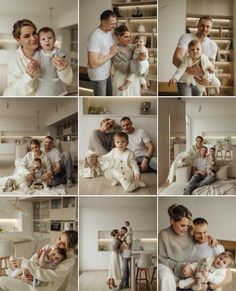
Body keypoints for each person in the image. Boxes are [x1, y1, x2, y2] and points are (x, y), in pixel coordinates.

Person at [0, 230, 78, 291]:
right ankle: (12, 273)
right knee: (2, 280)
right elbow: (32, 260)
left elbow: (48, 275)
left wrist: (24, 264)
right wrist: (24, 272)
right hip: (29, 280)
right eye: (59, 238)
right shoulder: (49, 247)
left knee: (2, 281)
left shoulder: (69, 261)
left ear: (70, 248)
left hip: (40, 288)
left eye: (63, 244)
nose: (58, 243)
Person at [172, 15, 218, 96]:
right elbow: (176, 59)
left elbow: (211, 66)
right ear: (197, 25)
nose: (204, 29)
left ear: (211, 28)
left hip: (200, 82)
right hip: (184, 81)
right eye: (202, 25)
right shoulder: (186, 37)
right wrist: (191, 71)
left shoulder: (213, 45)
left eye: (208, 26)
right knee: (187, 103)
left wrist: (208, 80)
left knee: (198, 104)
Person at [158, 204, 194, 291]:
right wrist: (179, 267)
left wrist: (210, 238)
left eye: (187, 225)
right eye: (182, 225)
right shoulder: (164, 234)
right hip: (168, 266)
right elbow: (162, 258)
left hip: (187, 268)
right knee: (165, 277)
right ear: (172, 221)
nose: (185, 229)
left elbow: (202, 234)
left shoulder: (190, 231)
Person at [3, 19, 39, 96]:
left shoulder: (47, 53)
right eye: (26, 36)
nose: (33, 38)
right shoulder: (14, 60)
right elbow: (14, 92)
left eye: (34, 33)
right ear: (18, 39)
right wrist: (29, 76)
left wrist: (62, 69)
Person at [35, 27, 73, 96]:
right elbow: (35, 62)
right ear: (39, 42)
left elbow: (63, 60)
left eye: (50, 38)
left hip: (56, 83)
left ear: (54, 40)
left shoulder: (58, 51)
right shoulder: (38, 53)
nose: (47, 41)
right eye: (43, 39)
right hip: (43, 83)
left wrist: (60, 61)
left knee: (57, 94)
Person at [87, 10, 118, 96]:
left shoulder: (109, 32)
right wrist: (110, 54)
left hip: (107, 73)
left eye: (115, 23)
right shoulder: (95, 36)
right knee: (101, 100)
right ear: (103, 22)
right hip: (98, 76)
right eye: (112, 24)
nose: (114, 26)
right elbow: (93, 63)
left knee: (109, 97)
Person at [112, 25, 142, 96]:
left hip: (134, 80)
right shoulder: (115, 50)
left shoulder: (134, 47)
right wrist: (138, 60)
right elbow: (123, 68)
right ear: (118, 37)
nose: (129, 39)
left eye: (130, 36)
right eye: (126, 37)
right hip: (121, 80)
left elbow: (144, 62)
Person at [115, 226, 132, 291]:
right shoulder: (124, 237)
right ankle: (127, 285)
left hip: (126, 256)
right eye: (120, 231)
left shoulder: (128, 237)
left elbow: (128, 247)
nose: (120, 232)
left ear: (125, 231)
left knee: (124, 271)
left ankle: (120, 286)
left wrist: (123, 241)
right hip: (124, 255)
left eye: (122, 231)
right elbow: (123, 247)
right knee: (126, 271)